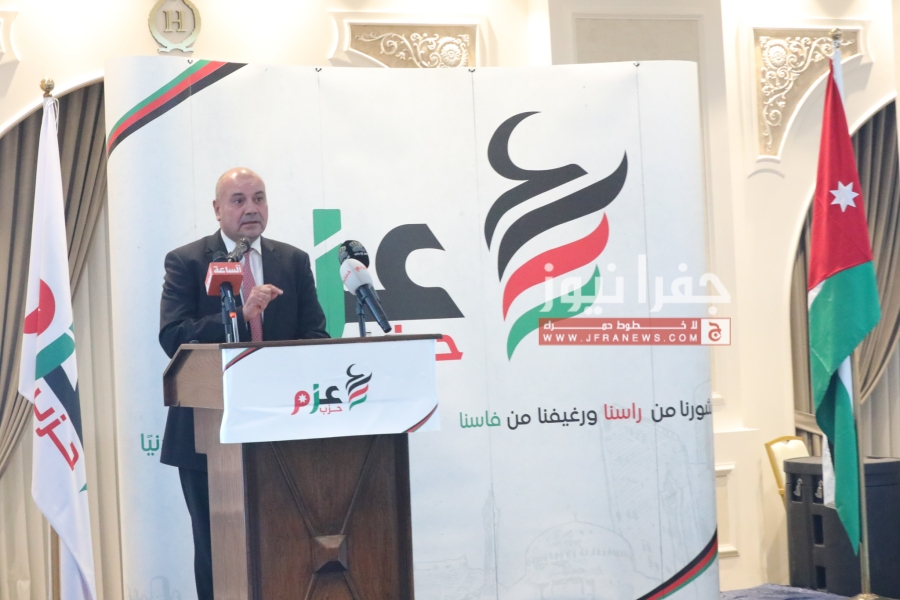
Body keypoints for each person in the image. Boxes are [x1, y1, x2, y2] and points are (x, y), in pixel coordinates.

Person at [158, 167, 328, 599]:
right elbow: (173, 336)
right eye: (238, 200)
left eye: (259, 198)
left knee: (286, 544)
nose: (251, 208)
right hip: (206, 433)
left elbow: (315, 334)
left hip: (281, 427)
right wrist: (238, 315)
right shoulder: (187, 261)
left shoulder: (292, 261)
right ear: (217, 210)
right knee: (217, 552)